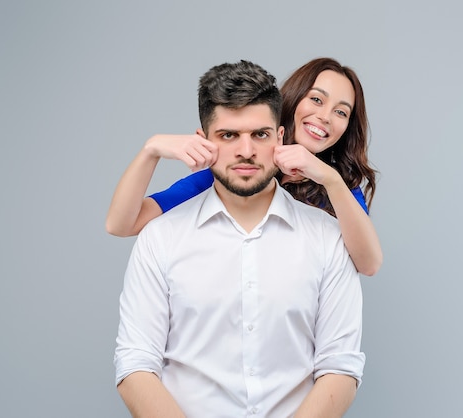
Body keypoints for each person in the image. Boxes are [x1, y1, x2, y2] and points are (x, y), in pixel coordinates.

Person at [114, 60, 365, 417]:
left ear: (280, 138)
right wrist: (151, 148)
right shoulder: (161, 238)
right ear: (203, 142)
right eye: (228, 135)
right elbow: (135, 361)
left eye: (260, 135)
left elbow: (340, 365)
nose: (245, 151)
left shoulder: (330, 236)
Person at [106, 58, 383, 276]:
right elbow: (121, 224)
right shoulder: (237, 170)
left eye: (341, 112)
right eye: (317, 99)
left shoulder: (340, 188)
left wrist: (329, 179)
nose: (324, 117)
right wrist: (150, 150)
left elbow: (369, 264)